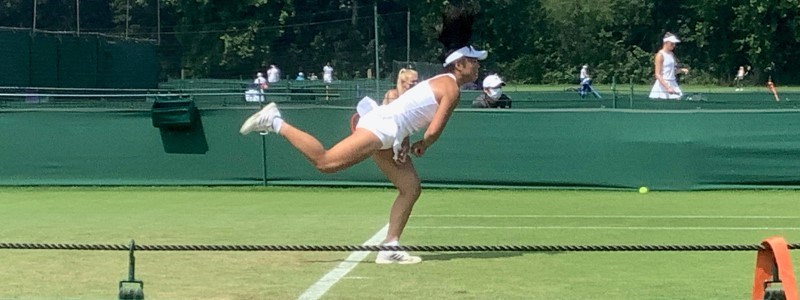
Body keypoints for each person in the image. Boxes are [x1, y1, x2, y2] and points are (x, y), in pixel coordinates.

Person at [239, 6, 485, 265]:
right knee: (326, 162)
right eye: (475, 61)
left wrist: (404, 140)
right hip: (383, 127)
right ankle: (275, 120)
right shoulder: (451, 89)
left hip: (391, 131)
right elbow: (433, 129)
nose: (478, 66)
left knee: (410, 188)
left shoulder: (443, 81)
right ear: (460, 64)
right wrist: (423, 143)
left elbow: (408, 112)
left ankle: (390, 247)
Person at [649, 32, 689, 100]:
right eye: (672, 43)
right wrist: (667, 87)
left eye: (674, 44)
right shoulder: (660, 55)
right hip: (662, 85)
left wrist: (681, 70)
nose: (673, 45)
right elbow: (657, 74)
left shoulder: (671, 54)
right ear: (666, 43)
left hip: (673, 82)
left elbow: (671, 71)